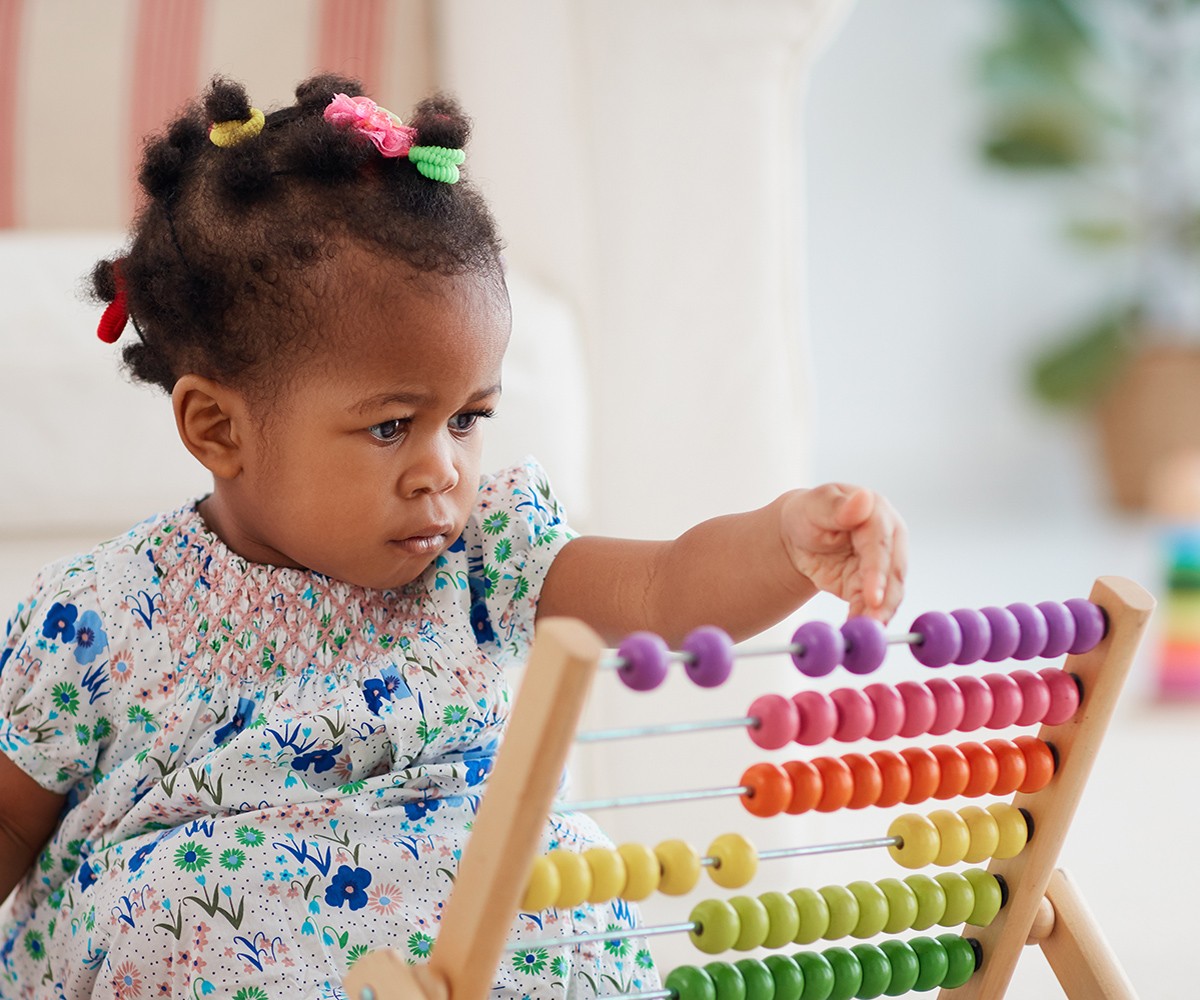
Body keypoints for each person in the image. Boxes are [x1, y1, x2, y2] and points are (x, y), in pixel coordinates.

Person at [0, 75, 905, 1000]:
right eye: (392, 426)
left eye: (469, 418)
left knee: (559, 881)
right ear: (220, 430)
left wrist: (783, 541)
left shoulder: (484, 555)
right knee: (176, 913)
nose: (444, 469)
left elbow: (666, 589)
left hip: (463, 943)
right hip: (219, 941)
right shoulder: (101, 617)